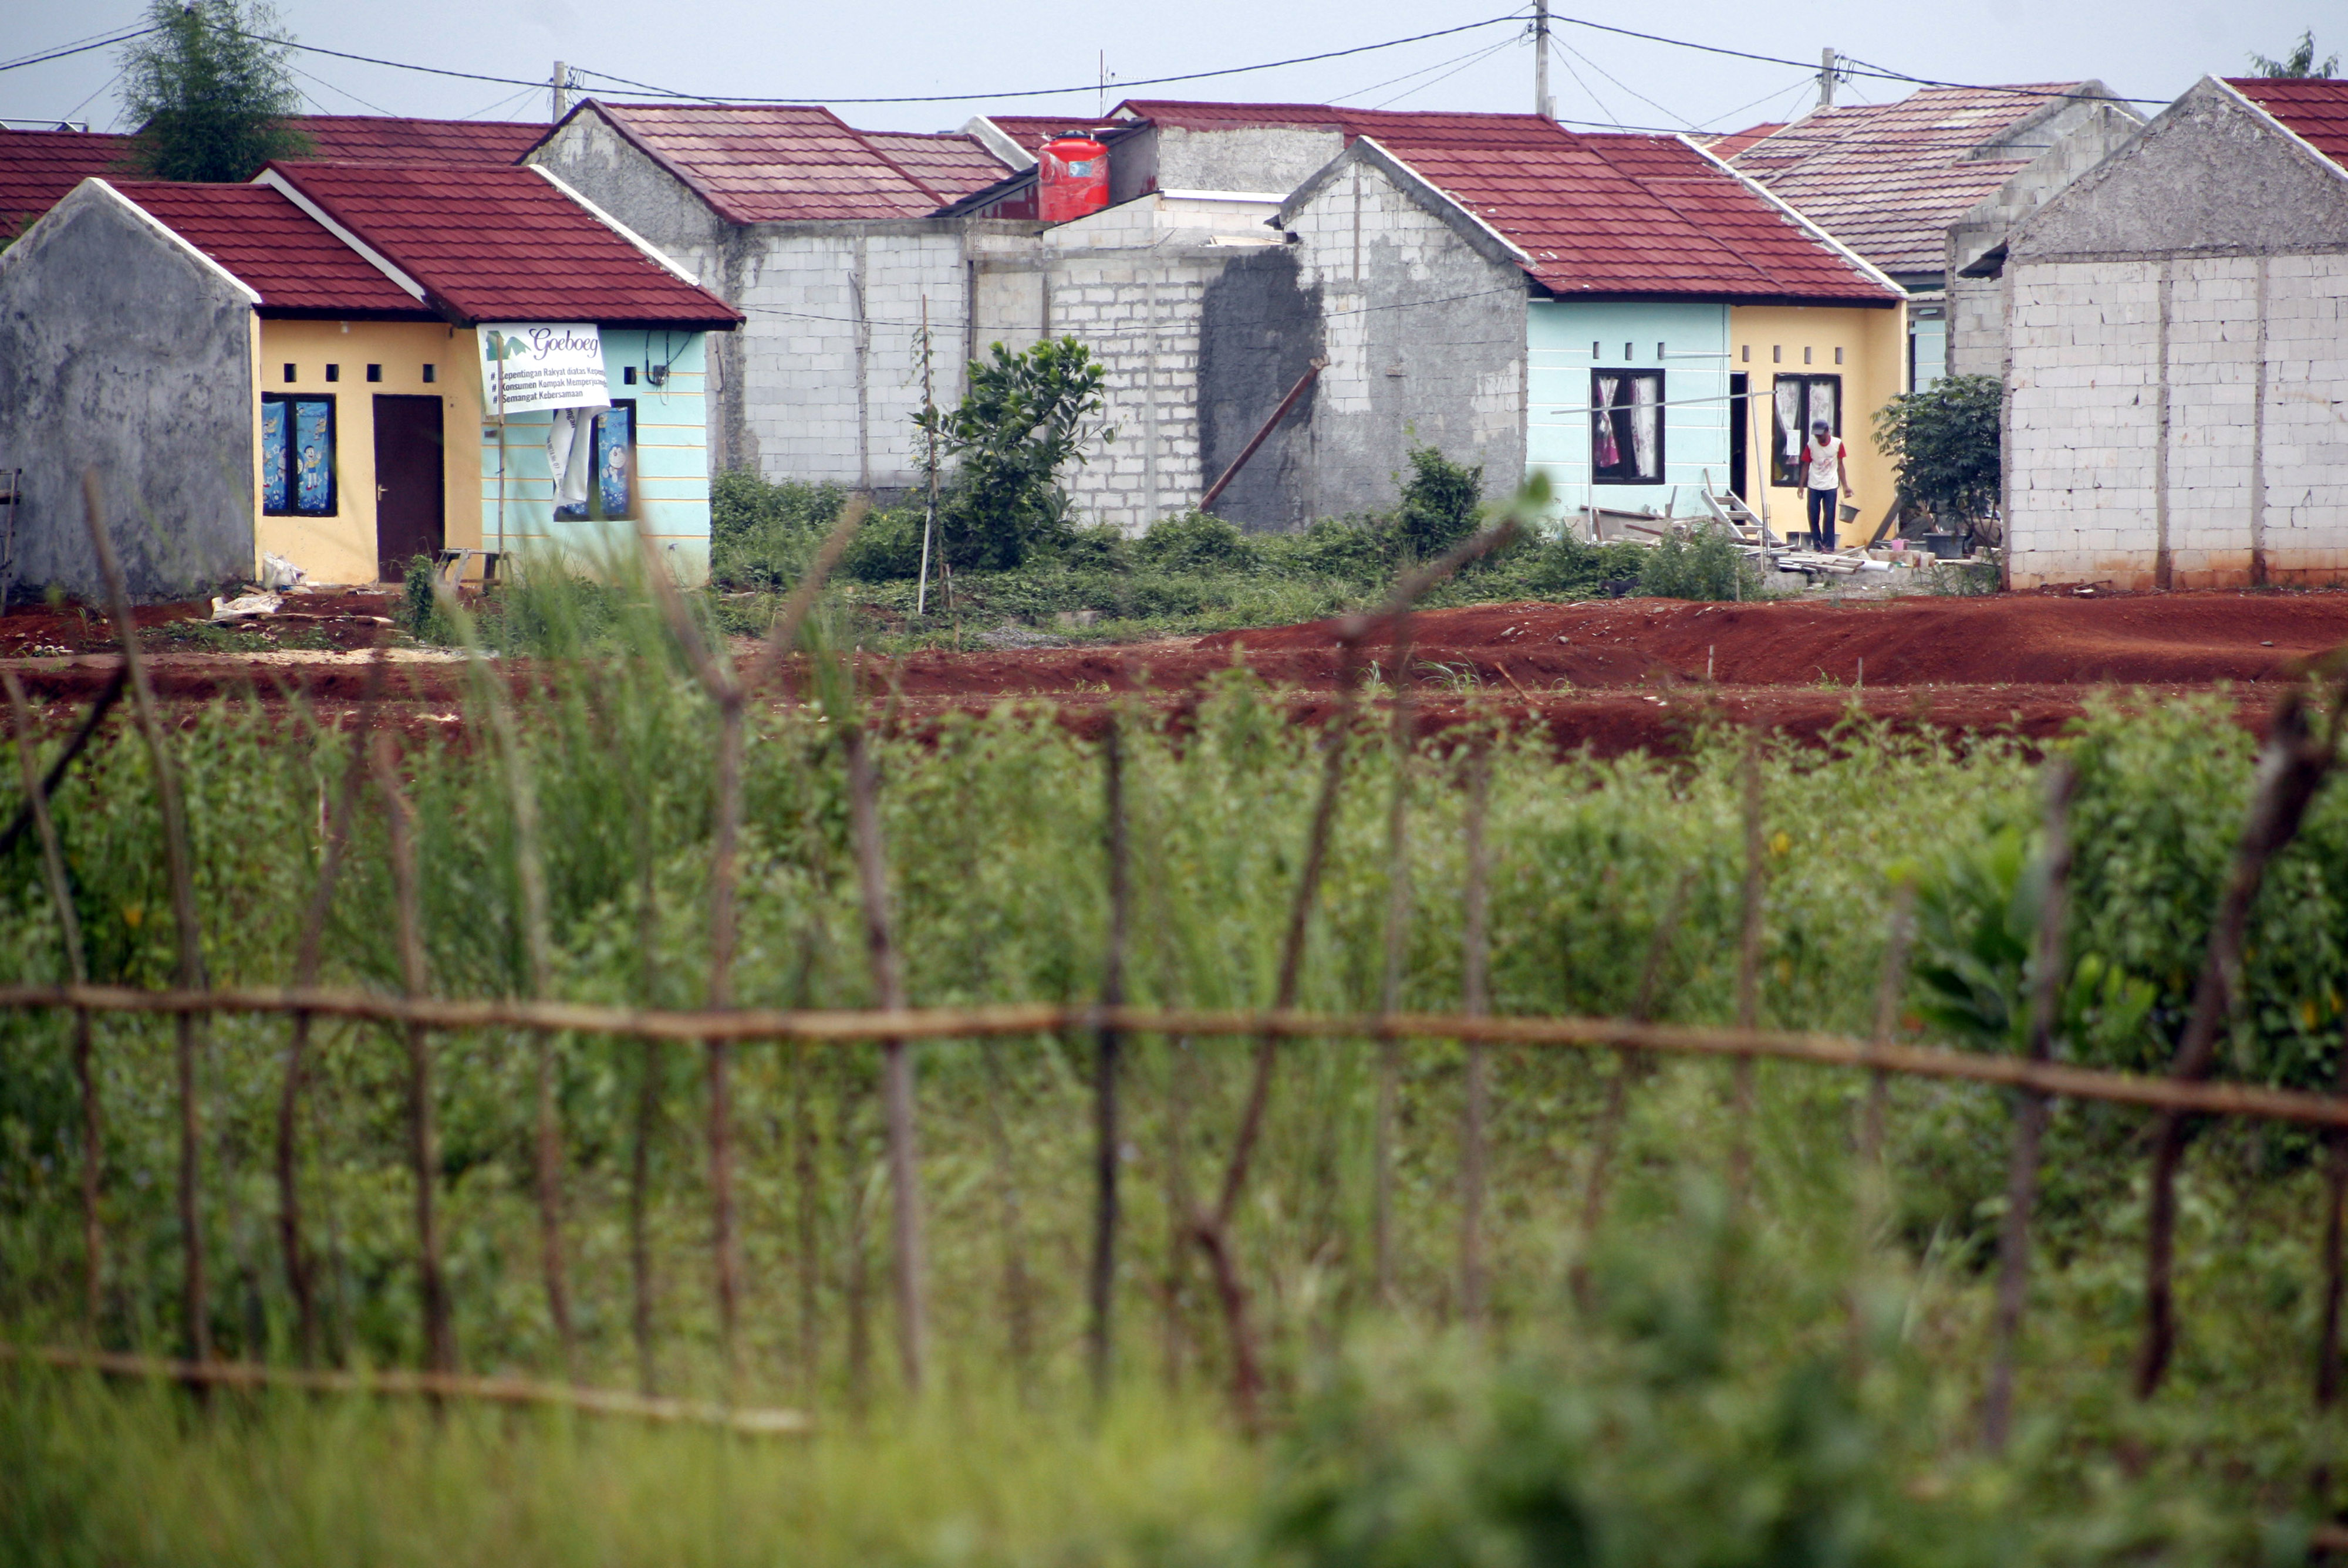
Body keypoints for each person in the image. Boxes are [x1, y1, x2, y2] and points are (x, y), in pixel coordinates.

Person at [1797, 419, 1852, 551]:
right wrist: (1801, 487)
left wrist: (1845, 487)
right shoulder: (1811, 445)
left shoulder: (1837, 444)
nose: (1818, 438)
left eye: (1820, 435)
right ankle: (1818, 545)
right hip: (1814, 485)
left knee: (1829, 517)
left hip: (1831, 485)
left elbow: (1841, 465)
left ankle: (1829, 547)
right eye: (1816, 435)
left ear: (1828, 432)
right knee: (1813, 516)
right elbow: (1806, 465)